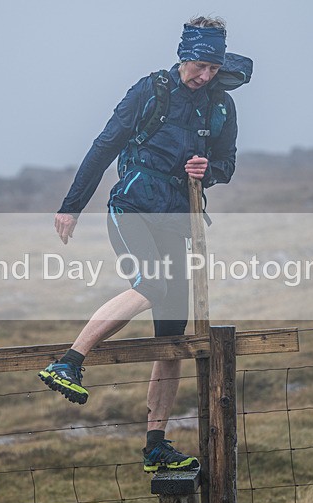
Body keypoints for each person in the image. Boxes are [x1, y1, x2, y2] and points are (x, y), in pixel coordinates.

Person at [39, 15, 251, 473]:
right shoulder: (150, 91)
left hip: (179, 220)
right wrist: (71, 205)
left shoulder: (220, 106)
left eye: (214, 68)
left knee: (172, 336)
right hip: (131, 209)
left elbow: (227, 163)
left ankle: (156, 444)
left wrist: (206, 170)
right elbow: (103, 146)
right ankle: (69, 362)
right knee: (152, 284)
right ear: (183, 55)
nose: (206, 76)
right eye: (199, 66)